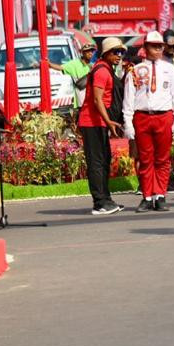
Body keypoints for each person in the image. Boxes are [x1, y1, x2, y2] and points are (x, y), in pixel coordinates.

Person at [122, 31, 174, 213]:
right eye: (153, 46)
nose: (157, 49)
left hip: (164, 116)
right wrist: (128, 123)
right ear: (145, 47)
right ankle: (147, 196)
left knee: (162, 159)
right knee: (145, 158)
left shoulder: (170, 69)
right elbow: (128, 99)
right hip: (142, 116)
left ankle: (160, 195)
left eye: (159, 46)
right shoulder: (135, 70)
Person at [77, 38, 126, 215]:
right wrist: (108, 121)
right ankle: (99, 203)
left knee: (104, 160)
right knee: (96, 163)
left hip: (98, 122)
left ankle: (106, 199)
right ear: (106, 53)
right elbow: (97, 100)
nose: (119, 56)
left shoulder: (105, 68)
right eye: (116, 52)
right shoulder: (102, 72)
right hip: (92, 122)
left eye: (121, 52)